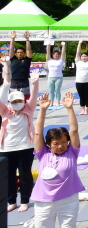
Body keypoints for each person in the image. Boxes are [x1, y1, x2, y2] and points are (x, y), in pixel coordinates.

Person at [31, 91, 84, 228]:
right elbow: (37, 133)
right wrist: (42, 110)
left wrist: (70, 108)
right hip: (43, 202)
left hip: (68, 201)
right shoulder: (42, 154)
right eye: (56, 143)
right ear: (48, 144)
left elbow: (74, 131)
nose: (60, 146)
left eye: (63, 142)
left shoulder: (72, 152)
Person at [1, 71, 40, 212]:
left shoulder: (28, 109)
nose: (17, 103)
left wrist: (35, 83)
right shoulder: (5, 111)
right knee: (8, 176)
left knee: (25, 175)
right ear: (9, 102)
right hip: (7, 149)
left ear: (23, 101)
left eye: (19, 101)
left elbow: (34, 97)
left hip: (25, 147)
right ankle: (11, 201)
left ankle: (25, 200)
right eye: (14, 101)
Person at [8, 31, 33, 99]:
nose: (19, 53)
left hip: (24, 81)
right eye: (18, 52)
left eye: (21, 52)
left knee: (24, 99)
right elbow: (11, 48)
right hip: (13, 81)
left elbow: (28, 49)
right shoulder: (13, 59)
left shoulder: (27, 59)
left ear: (24, 53)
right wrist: (12, 38)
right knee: (13, 99)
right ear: (16, 53)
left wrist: (27, 39)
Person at [74, 40, 88, 115]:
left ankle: (86, 110)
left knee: (87, 96)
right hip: (79, 82)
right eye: (82, 56)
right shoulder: (78, 62)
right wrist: (79, 43)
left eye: (85, 56)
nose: (84, 57)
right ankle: (82, 109)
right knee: (81, 96)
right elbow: (77, 53)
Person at [46, 41, 66, 105]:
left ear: (59, 55)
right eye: (55, 54)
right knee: (51, 90)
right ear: (52, 55)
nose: (56, 55)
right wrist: (48, 45)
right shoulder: (49, 60)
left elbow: (63, 54)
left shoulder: (61, 60)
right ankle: (51, 102)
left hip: (59, 77)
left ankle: (58, 101)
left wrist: (63, 46)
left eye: (57, 54)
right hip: (50, 77)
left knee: (57, 90)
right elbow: (48, 52)